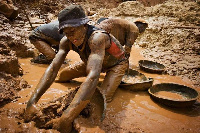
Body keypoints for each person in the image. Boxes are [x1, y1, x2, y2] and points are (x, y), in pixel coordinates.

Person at [24, 5, 128, 133]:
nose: (71, 38)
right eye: (67, 33)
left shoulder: (97, 38)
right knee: (62, 77)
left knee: (101, 99)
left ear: (84, 25)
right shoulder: (66, 41)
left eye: (72, 31)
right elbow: (52, 69)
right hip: (92, 62)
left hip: (115, 64)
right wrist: (31, 103)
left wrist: (66, 118)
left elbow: (93, 76)